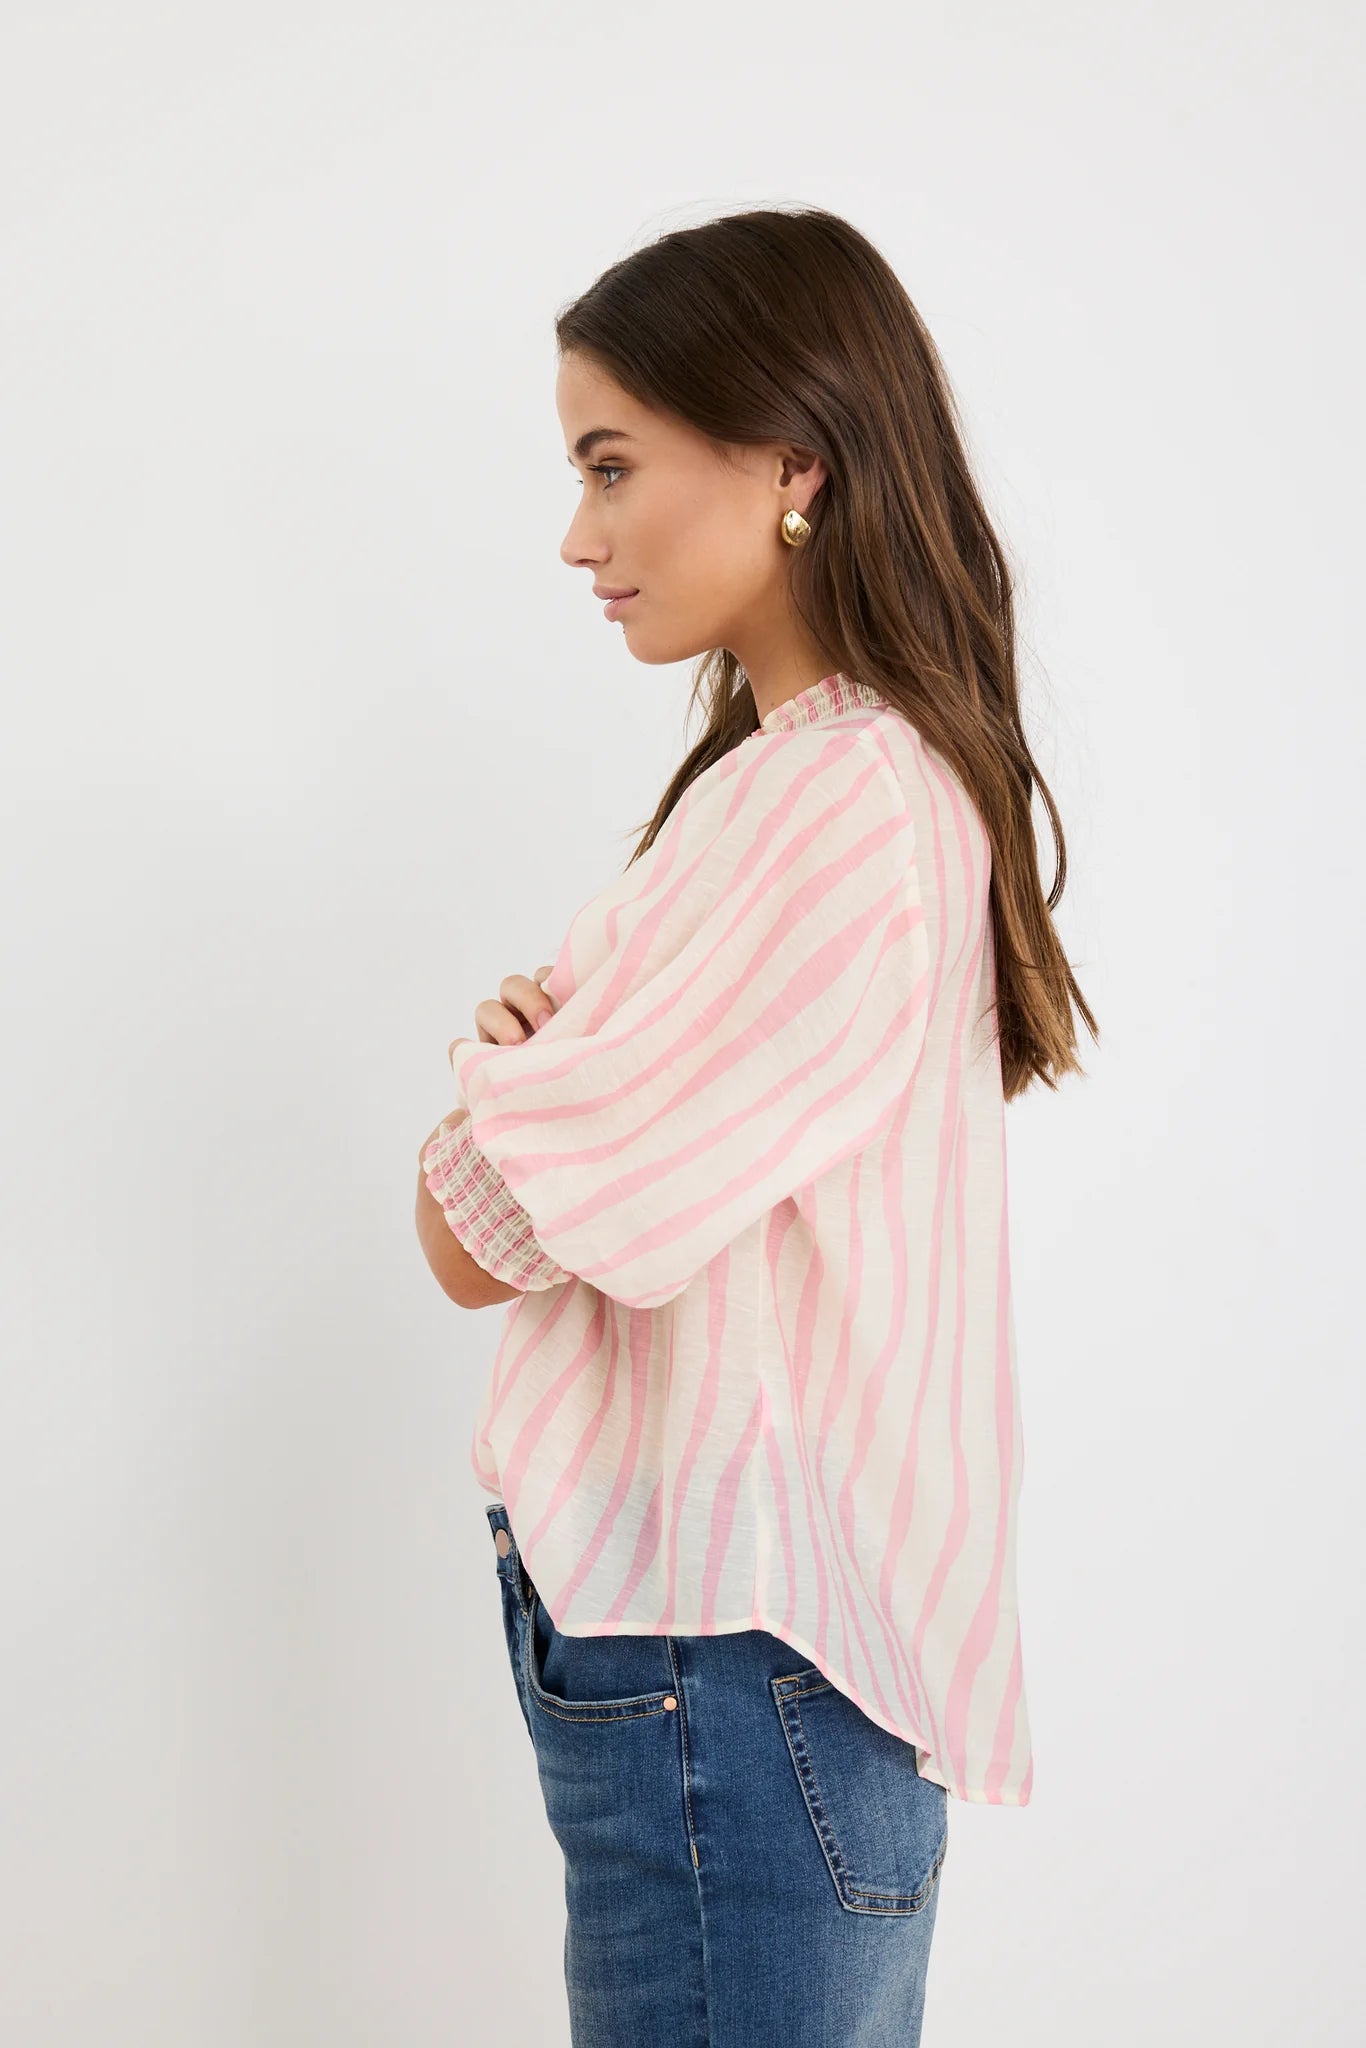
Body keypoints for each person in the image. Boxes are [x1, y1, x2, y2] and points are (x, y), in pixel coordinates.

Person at [414, 203, 1097, 2047]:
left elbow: (474, 1235)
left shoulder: (833, 810)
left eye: (611, 465)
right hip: (756, 1670)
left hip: (729, 1662)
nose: (579, 537)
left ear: (790, 463)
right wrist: (540, 1081)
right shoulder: (834, 786)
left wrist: (499, 1074)